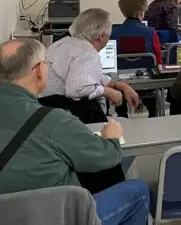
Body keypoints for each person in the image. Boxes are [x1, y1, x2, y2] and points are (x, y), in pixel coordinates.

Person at [0, 39, 150, 225]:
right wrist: (113, 137)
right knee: (138, 191)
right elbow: (105, 157)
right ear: (39, 70)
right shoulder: (52, 121)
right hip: (57, 218)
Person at [40, 9, 139, 123]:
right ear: (102, 36)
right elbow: (76, 89)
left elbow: (85, 75)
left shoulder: (63, 43)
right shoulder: (88, 53)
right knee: (123, 124)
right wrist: (108, 91)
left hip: (44, 109)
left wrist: (120, 85)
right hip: (62, 113)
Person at [110, 0, 163, 64]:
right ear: (142, 11)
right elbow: (158, 60)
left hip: (120, 72)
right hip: (147, 71)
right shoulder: (151, 32)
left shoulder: (112, 33)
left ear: (123, 11)